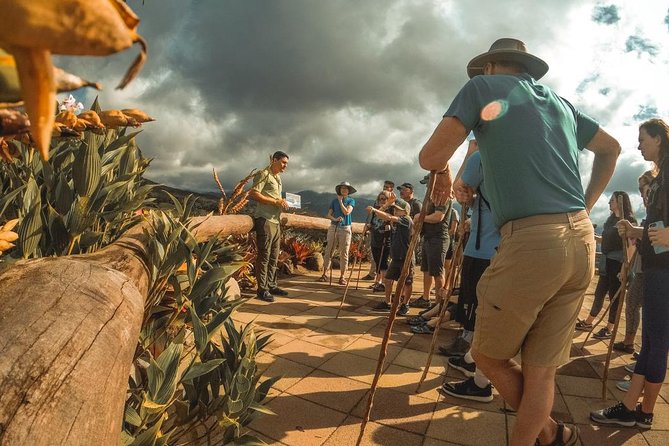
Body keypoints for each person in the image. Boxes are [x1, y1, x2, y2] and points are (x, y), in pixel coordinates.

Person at [419, 38, 620, 446]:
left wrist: (441, 170)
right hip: (582, 238)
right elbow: (611, 149)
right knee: (542, 370)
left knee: (490, 356)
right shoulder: (562, 103)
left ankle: (546, 431)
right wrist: (586, 203)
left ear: (490, 66)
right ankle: (549, 434)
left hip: (531, 241)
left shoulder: (482, 88)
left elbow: (430, 156)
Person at [591, 118, 669, 430]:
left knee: (657, 340)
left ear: (659, 139)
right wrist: (636, 229)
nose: (639, 145)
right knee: (651, 340)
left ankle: (643, 412)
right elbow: (658, 226)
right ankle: (633, 409)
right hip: (655, 266)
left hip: (665, 270)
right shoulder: (662, 175)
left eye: (642, 139)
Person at [440, 147, 501, 404]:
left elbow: (460, 186)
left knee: (481, 312)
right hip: (495, 248)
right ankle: (471, 360)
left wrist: (471, 149)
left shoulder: (485, 154)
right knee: (481, 311)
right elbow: (467, 195)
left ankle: (481, 381)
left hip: (485, 252)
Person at [575, 192, 636, 339]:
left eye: (612, 200)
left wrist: (624, 268)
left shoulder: (628, 220)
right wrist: (594, 237)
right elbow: (606, 240)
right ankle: (589, 322)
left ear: (621, 202)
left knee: (614, 296)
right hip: (606, 263)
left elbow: (632, 245)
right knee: (600, 292)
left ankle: (609, 328)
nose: (609, 202)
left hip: (618, 262)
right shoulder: (610, 221)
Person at [614, 171, 656, 358]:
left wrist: (633, 231)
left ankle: (640, 347)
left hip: (651, 269)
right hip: (642, 267)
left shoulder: (658, 211)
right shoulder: (651, 212)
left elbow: (654, 236)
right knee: (640, 307)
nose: (641, 194)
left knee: (638, 307)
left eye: (643, 188)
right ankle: (642, 348)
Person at [249, 150, 290, 302]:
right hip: (265, 220)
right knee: (264, 256)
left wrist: (283, 202)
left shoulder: (278, 178)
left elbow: (276, 197)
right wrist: (275, 202)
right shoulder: (263, 174)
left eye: (286, 163)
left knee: (274, 256)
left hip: (276, 221)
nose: (285, 166)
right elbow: (253, 194)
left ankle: (272, 285)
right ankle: (262, 290)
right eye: (283, 162)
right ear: (275, 160)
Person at [368, 199, 414, 316]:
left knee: (407, 282)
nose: (394, 210)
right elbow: (384, 217)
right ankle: (388, 302)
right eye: (394, 209)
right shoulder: (397, 222)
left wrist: (374, 210)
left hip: (406, 257)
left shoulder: (406, 220)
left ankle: (405, 304)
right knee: (388, 280)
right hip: (396, 257)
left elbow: (389, 217)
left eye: (397, 209)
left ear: (404, 211)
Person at [412, 193, 452, 309]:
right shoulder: (430, 198)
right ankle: (426, 298)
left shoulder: (443, 197)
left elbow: (438, 217)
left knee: (437, 272)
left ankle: (439, 305)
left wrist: (420, 217)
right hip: (428, 237)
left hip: (438, 238)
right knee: (426, 270)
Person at [319, 181, 356, 285]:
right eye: (342, 188)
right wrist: (335, 218)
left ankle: (342, 276)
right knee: (329, 250)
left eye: (346, 188)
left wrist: (340, 202)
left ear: (349, 191)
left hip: (345, 228)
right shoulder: (334, 201)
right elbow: (328, 215)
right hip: (333, 227)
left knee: (344, 253)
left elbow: (347, 212)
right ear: (339, 190)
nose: (344, 190)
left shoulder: (351, 201)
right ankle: (324, 274)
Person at [369, 191, 392, 292]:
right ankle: (377, 282)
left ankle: (383, 283)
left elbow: (394, 223)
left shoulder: (391, 211)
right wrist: (369, 227)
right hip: (375, 239)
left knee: (384, 263)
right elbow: (372, 223)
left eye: (384, 199)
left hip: (385, 240)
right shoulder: (376, 211)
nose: (381, 201)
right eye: (380, 199)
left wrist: (390, 227)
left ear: (388, 200)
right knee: (377, 262)